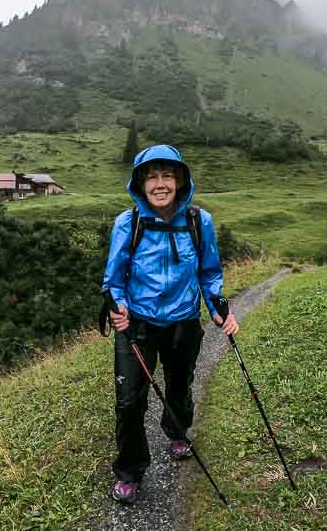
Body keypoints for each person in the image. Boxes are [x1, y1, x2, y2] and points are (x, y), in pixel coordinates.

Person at [102, 144, 238, 504]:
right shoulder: (127, 223)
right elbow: (113, 280)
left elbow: (209, 273)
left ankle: (177, 432)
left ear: (179, 181)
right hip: (138, 327)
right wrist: (118, 307)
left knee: (179, 387)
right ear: (140, 183)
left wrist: (219, 306)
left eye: (167, 176)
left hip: (183, 323)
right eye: (152, 177)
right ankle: (130, 470)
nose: (160, 184)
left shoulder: (198, 221)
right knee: (129, 401)